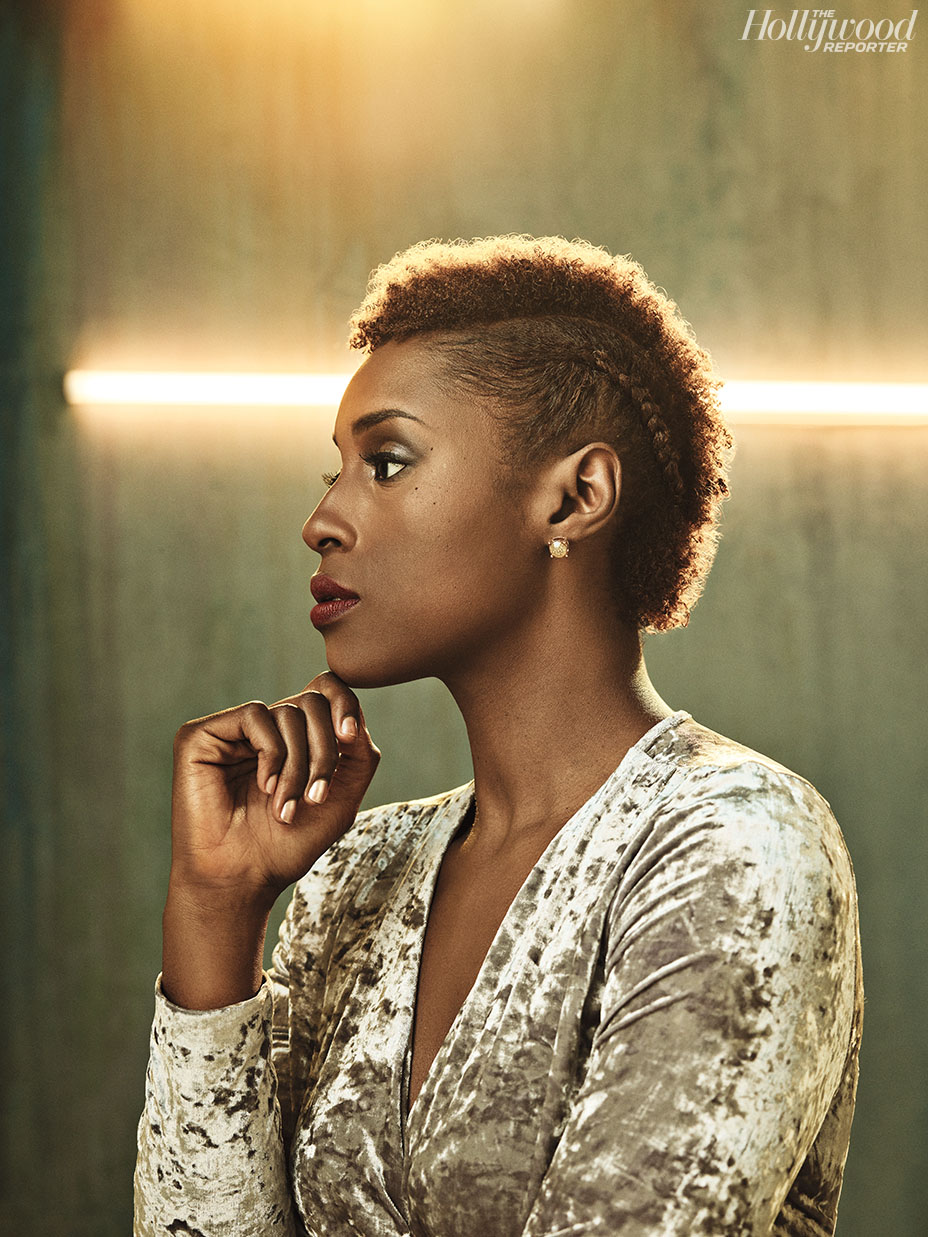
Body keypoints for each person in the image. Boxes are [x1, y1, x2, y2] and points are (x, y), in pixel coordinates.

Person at [134, 235, 862, 1236]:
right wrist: (217, 911)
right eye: (335, 470)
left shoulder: (734, 842)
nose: (322, 519)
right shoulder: (355, 876)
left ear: (575, 496)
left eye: (386, 463)